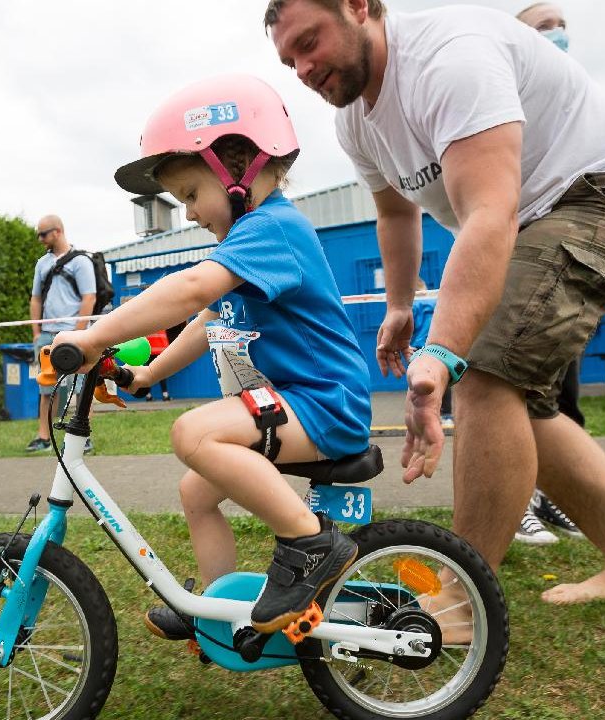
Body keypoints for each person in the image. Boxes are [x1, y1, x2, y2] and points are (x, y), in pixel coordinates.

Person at [267, 0, 605, 607]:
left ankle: (459, 601)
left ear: (359, 7)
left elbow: (489, 213)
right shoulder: (355, 119)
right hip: (530, 218)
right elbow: (395, 211)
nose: (301, 69)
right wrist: (400, 306)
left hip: (604, 192)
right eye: (288, 59)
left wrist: (442, 354)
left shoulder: (447, 57)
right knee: (522, 405)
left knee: (481, 374)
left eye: (309, 42)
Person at [52, 75, 372, 639]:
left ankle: (309, 543)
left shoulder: (273, 228)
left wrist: (96, 334)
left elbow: (195, 290)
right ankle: (220, 611)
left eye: (192, 196)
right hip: (300, 403)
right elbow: (208, 319)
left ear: (239, 168)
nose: (192, 213)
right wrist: (148, 372)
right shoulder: (252, 238)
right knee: (195, 491)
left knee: (194, 435)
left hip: (325, 404)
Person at [513, 0, 585, 544]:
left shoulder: (576, 102)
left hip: (570, 256)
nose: (557, 34)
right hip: (522, 255)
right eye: (544, 27)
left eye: (561, 25)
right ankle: (516, 500)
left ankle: (556, 497)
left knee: (566, 391)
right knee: (515, 392)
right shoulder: (507, 104)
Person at [27, 215, 96, 453]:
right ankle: (43, 437)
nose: (40, 239)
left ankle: (83, 438)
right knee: (46, 387)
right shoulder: (41, 264)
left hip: (73, 333)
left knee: (80, 388)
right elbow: (35, 298)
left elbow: (89, 297)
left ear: (57, 232)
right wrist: (36, 331)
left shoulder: (81, 261)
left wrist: (78, 334)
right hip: (46, 335)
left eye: (43, 234)